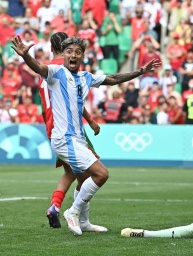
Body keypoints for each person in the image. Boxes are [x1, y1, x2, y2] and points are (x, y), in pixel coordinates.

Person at [12, 35, 161, 236]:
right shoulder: (56, 72)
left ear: (83, 56)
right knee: (101, 174)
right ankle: (72, 212)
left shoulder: (85, 77)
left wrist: (140, 71)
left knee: (82, 178)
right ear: (63, 54)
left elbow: (113, 79)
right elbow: (39, 67)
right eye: (69, 51)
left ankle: (83, 222)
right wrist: (25, 56)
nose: (73, 55)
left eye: (78, 52)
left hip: (78, 138)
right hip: (64, 139)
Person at [39, 32, 103, 231]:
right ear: (66, 48)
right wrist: (90, 120)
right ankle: (76, 215)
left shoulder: (46, 68)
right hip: (68, 127)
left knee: (72, 171)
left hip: (51, 124)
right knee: (89, 173)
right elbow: (74, 98)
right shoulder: (64, 67)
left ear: (51, 48)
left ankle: (56, 206)